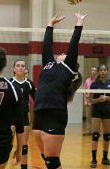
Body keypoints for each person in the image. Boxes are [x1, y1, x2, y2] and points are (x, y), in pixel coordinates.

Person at [32, 12, 86, 169]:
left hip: (55, 113)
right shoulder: (49, 64)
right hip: (39, 111)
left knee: (52, 161)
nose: (62, 53)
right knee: (46, 158)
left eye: (64, 54)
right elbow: (47, 46)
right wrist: (50, 25)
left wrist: (79, 24)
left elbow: (73, 44)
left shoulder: (68, 67)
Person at [89, 64, 110, 168]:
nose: (103, 72)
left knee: (107, 135)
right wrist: (99, 99)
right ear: (98, 72)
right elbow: (90, 100)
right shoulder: (94, 84)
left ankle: (105, 159)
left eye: (105, 70)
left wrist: (107, 98)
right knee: (95, 135)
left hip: (107, 112)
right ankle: (93, 160)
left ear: (107, 71)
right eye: (101, 70)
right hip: (96, 112)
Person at [9, 60, 36, 169]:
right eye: (18, 66)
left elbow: (37, 99)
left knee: (24, 147)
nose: (20, 67)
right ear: (14, 69)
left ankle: (24, 167)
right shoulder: (9, 82)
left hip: (24, 117)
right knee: (7, 145)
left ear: (25, 70)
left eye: (23, 66)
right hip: (10, 118)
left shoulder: (29, 84)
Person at [83, 66, 98, 136]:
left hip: (96, 100)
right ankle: (89, 130)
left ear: (97, 72)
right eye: (92, 70)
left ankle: (95, 130)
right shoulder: (87, 81)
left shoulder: (98, 81)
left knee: (96, 116)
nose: (93, 72)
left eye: (95, 70)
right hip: (88, 100)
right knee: (88, 116)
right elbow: (84, 92)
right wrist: (85, 101)